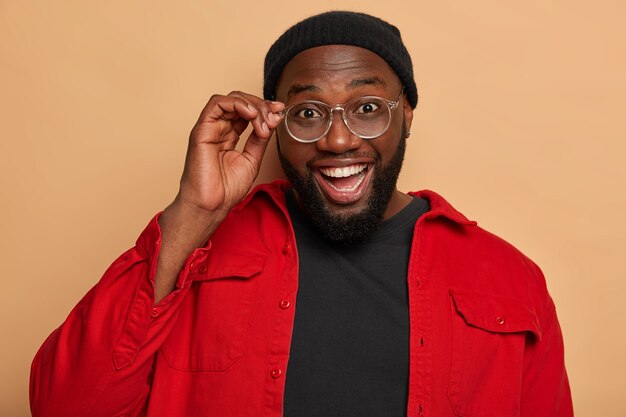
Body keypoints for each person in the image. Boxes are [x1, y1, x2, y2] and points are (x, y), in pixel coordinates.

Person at [29, 11, 573, 417]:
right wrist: (194, 212)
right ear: (272, 124)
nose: (338, 139)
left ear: (405, 115)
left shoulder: (511, 280)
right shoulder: (200, 247)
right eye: (308, 112)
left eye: (366, 108)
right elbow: (65, 406)